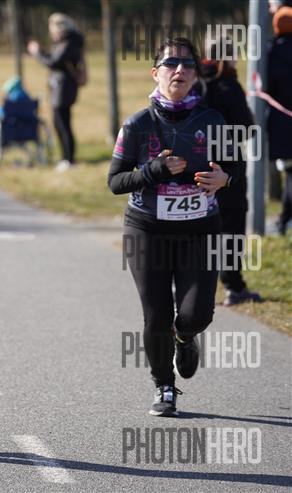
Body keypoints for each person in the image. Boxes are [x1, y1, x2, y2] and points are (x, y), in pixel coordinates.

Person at [108, 38, 237, 417]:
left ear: (196, 75)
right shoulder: (137, 125)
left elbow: (235, 167)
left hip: (200, 229)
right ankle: (164, 386)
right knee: (157, 314)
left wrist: (225, 179)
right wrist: (153, 171)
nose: (179, 70)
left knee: (197, 314)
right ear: (155, 73)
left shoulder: (213, 121)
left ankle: (185, 336)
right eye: (170, 63)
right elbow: (115, 182)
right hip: (146, 230)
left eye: (187, 64)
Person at [198, 43, 263, 306]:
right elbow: (246, 127)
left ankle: (196, 286)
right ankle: (234, 286)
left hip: (198, 166)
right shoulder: (228, 86)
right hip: (228, 168)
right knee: (232, 227)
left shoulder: (195, 84)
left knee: (200, 227)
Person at [27, 13, 84, 172]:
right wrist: (40, 52)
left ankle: (69, 159)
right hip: (58, 87)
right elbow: (52, 58)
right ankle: (65, 157)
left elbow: (53, 62)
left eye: (52, 29)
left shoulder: (70, 42)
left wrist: (37, 52)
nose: (51, 33)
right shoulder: (64, 42)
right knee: (59, 123)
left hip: (64, 88)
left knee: (63, 123)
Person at [268, 5, 292, 234]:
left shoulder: (272, 51)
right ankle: (284, 219)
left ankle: (284, 220)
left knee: (289, 172)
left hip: (281, 122)